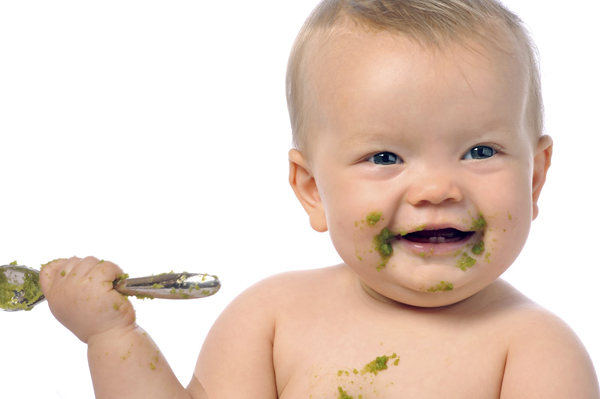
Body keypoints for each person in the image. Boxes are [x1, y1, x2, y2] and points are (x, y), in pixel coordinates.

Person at [40, 0, 599, 398]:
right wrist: (112, 337)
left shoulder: (535, 350)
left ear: (534, 179)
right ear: (312, 190)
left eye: (480, 151)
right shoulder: (271, 320)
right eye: (384, 157)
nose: (437, 190)